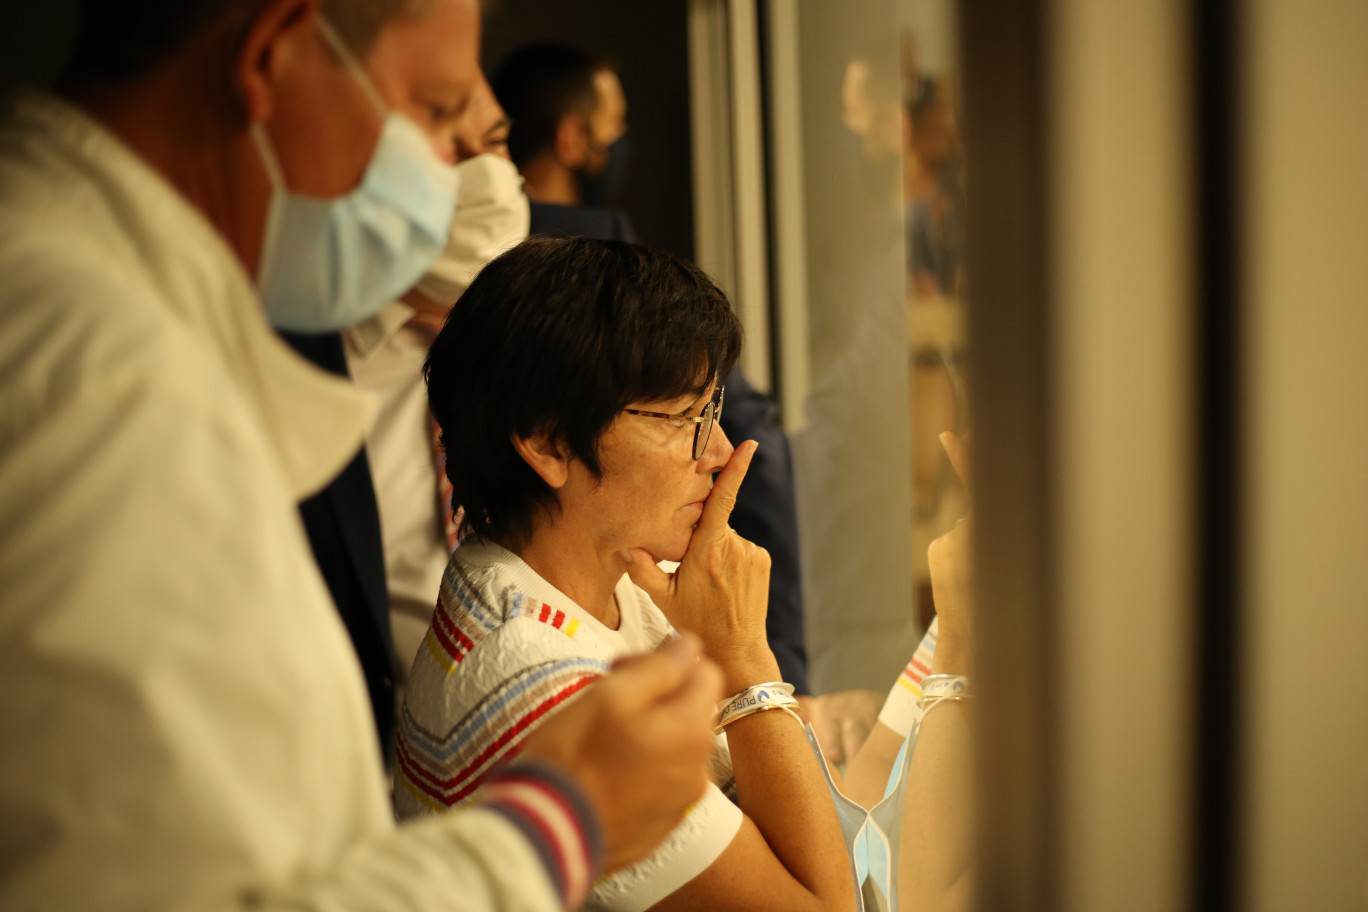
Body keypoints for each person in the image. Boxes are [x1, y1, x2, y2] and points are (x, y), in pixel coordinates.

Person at [0, 1, 732, 909]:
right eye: (430, 115)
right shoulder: (101, 378)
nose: (462, 188)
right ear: (268, 57)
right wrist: (562, 823)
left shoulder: (123, 313)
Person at [493, 41, 812, 697]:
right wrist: (760, 656)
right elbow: (796, 806)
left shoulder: (631, 598)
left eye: (712, 411)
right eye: (689, 414)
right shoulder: (551, 680)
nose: (720, 448)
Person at [282, 74, 527, 750]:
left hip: (583, 736)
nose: (489, 179)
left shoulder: (577, 290)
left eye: (498, 142)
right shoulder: (276, 348)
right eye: (453, 146)